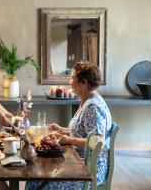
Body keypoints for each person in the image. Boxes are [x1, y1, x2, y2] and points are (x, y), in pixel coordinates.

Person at [25, 61, 112, 190]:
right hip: (79, 162)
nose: (70, 81)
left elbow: (97, 142)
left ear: (85, 83)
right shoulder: (87, 100)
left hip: (89, 170)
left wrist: (68, 140)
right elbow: (84, 131)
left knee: (36, 182)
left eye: (73, 78)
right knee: (36, 177)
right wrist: (62, 130)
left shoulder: (93, 106)